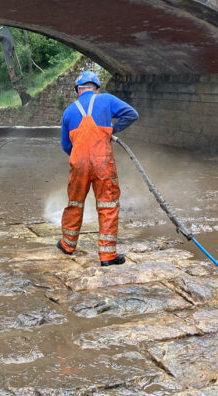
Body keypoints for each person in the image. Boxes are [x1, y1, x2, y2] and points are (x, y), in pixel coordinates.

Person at [57, 70, 138, 266]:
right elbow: (131, 114)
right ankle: (108, 256)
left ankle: (67, 245)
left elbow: (65, 145)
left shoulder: (68, 111)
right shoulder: (106, 99)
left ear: (78, 90)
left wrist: (80, 157)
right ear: (96, 89)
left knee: (74, 203)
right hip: (103, 163)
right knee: (107, 205)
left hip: (79, 163)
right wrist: (111, 131)